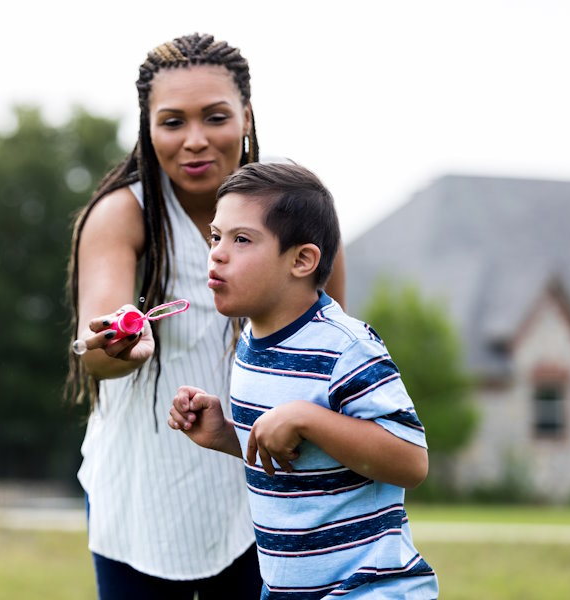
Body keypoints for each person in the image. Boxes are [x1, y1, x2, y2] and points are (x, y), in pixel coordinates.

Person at [65, 34, 345, 599]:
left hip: (262, 494)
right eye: (172, 122)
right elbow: (95, 349)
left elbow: (333, 356)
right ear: (147, 128)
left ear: (246, 115)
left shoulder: (300, 218)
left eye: (215, 116)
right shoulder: (124, 214)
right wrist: (124, 346)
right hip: (138, 498)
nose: (194, 141)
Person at [168, 161, 439, 598]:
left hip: (366, 588)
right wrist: (227, 434)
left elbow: (411, 462)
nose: (216, 252)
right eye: (215, 237)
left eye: (241, 240)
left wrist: (307, 418)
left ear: (302, 260)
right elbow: (296, 456)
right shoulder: (251, 343)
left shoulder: (345, 346)